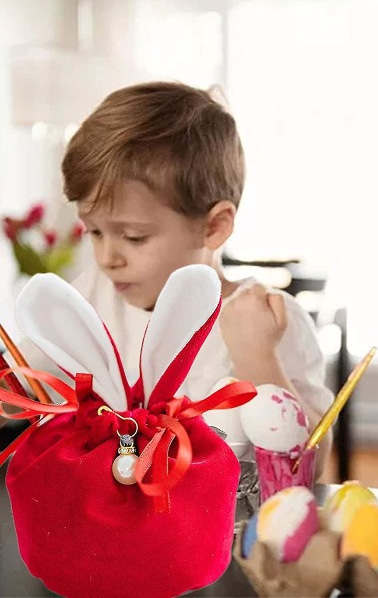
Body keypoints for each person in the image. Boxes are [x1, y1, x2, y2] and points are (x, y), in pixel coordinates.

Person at [15, 81, 333, 478]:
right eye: (94, 232)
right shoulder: (95, 294)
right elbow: (19, 386)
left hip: (226, 536)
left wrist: (258, 358)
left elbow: (311, 466)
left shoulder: (266, 320)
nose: (107, 257)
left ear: (213, 227)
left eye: (133, 237)